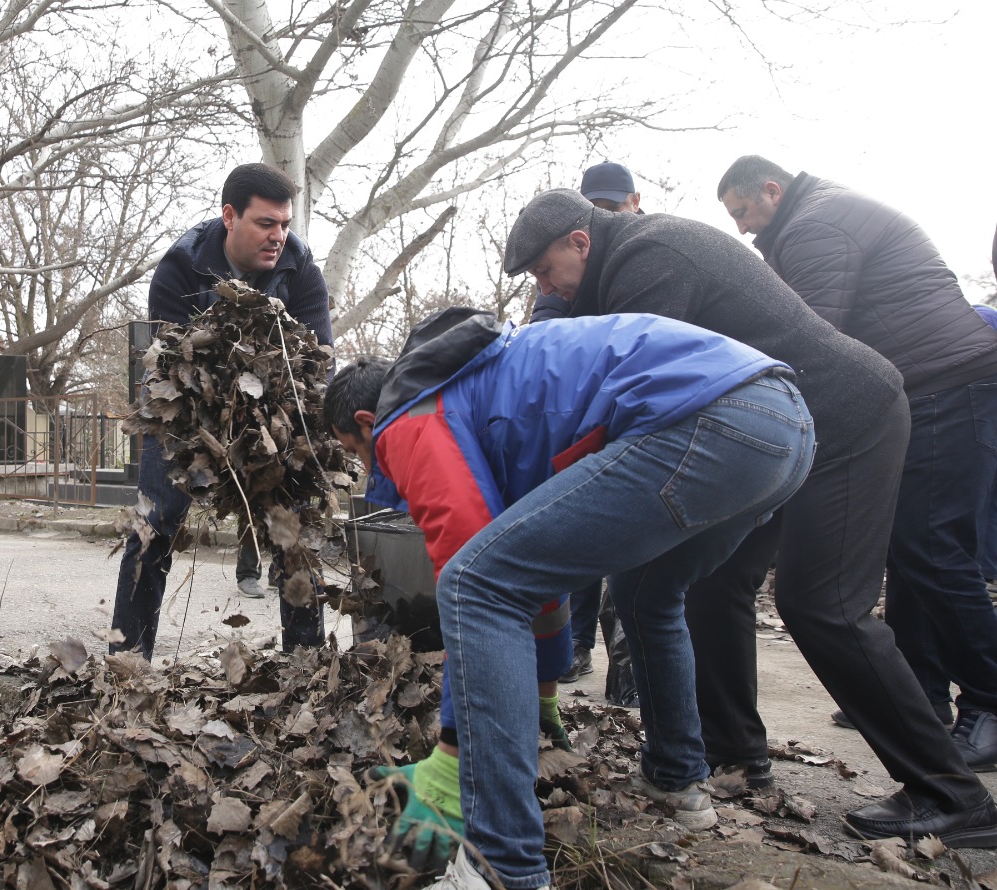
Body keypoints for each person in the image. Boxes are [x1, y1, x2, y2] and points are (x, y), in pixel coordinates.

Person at [502, 189, 997, 845]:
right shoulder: (619, 263)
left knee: (822, 606)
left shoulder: (651, 257)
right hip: (782, 432)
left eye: (544, 270)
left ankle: (951, 794)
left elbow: (625, 388)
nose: (548, 287)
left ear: (580, 242)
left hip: (846, 419)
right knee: (701, 584)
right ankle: (737, 758)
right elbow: (565, 335)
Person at [328, 309, 815, 890]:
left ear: (366, 420)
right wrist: (542, 692)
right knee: (647, 595)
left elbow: (474, 581)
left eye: (355, 451)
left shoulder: (407, 417)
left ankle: (500, 867)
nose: (365, 466)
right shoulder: (485, 390)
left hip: (707, 421)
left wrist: (454, 751)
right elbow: (536, 569)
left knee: (473, 584)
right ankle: (677, 778)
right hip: (782, 423)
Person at [718, 157, 997, 764]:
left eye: (742, 212)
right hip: (922, 387)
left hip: (944, 385)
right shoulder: (814, 219)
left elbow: (810, 335)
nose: (741, 228)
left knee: (936, 550)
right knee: (911, 550)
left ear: (772, 189)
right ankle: (922, 697)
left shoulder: (815, 227)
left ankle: (989, 701)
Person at [109, 163, 333, 658]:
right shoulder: (181, 267)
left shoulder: (299, 269)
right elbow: (173, 370)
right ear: (230, 216)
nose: (279, 236)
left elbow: (319, 364)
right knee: (153, 529)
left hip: (275, 419)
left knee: (293, 532)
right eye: (265, 223)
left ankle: (307, 664)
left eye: (285, 224)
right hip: (184, 420)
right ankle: (127, 663)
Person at [536, 161, 643, 687]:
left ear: (633, 203)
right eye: (594, 206)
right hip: (583, 415)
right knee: (578, 539)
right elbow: (544, 340)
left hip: (635, 415)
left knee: (634, 550)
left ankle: (628, 661)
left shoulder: (648, 255)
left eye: (612, 207)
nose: (604, 216)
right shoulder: (558, 272)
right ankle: (575, 647)